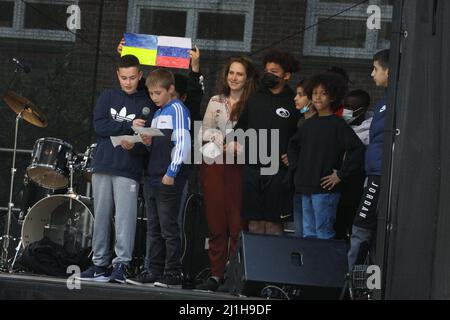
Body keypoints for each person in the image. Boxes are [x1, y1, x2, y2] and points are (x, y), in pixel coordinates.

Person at [78, 55, 155, 283]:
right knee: (100, 216)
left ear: (140, 76)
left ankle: (121, 265)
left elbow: (149, 140)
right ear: (117, 76)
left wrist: (138, 140)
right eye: (124, 78)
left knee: (125, 219)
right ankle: (99, 264)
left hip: (129, 168)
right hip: (103, 165)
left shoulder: (147, 102)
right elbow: (99, 125)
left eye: (132, 77)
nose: (128, 82)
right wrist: (128, 126)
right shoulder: (108, 95)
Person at [196, 56, 258, 291]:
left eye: (239, 74)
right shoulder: (216, 100)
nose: (234, 78)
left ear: (248, 78)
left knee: (237, 221)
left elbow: (257, 133)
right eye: (231, 73)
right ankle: (215, 274)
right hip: (215, 162)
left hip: (240, 165)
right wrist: (219, 141)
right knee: (216, 220)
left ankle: (235, 274)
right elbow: (205, 131)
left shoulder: (254, 102)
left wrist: (238, 145)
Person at [288, 73, 365, 239]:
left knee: (323, 234)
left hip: (325, 190)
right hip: (305, 188)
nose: (317, 97)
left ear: (333, 97)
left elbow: (357, 149)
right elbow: (293, 145)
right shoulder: (308, 124)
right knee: (308, 233)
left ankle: (323, 266)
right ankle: (311, 265)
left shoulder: (337, 124)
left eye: (323, 93)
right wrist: (296, 169)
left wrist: (341, 174)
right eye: (314, 93)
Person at [232, 50, 300, 235]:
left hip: (278, 172)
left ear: (286, 76)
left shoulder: (294, 102)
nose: (269, 74)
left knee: (273, 224)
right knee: (254, 224)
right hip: (252, 168)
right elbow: (241, 126)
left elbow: (302, 135)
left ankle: (274, 263)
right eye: (267, 70)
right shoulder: (255, 98)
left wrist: (294, 155)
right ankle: (254, 264)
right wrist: (233, 142)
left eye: (274, 71)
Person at [140, 68, 191, 289]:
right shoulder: (158, 112)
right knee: (154, 228)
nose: (154, 97)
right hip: (152, 176)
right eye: (151, 93)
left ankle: (173, 273)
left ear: (171, 90)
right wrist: (146, 140)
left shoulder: (178, 109)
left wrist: (172, 172)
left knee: (169, 228)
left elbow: (183, 143)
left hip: (167, 178)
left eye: (158, 93)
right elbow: (156, 143)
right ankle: (153, 270)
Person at [347, 49, 390, 271]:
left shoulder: (396, 101)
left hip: (380, 176)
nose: (372, 74)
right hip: (374, 173)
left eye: (375, 69)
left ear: (389, 71)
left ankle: (351, 282)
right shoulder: (384, 102)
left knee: (361, 226)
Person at [335, 89, 372, 240]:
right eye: (345, 105)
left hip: (356, 186)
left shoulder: (371, 131)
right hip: (336, 185)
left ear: (361, 110)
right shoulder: (338, 125)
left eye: (350, 107)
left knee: (352, 225)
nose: (345, 110)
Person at [292, 80, 317, 237]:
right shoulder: (301, 121)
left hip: (312, 183)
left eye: (301, 95)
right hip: (298, 181)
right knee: (300, 230)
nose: (296, 98)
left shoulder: (318, 122)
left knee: (310, 230)